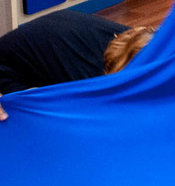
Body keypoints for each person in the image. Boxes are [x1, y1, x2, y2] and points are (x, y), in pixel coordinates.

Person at [0, 10, 154, 121]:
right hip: (7, 67)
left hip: (54, 35)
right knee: (40, 122)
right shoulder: (91, 78)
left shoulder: (146, 44)